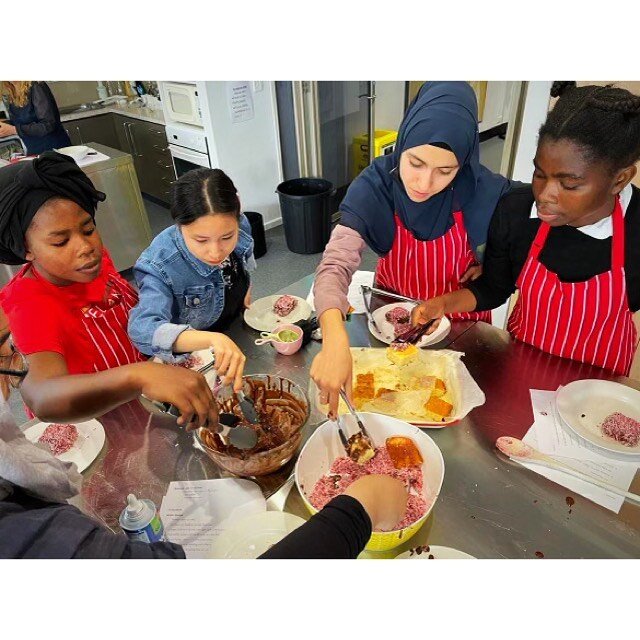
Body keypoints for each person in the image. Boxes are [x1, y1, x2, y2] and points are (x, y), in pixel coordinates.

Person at [311, 82, 516, 414]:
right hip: (391, 320)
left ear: (463, 163)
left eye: (445, 171)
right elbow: (335, 265)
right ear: (402, 142)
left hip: (462, 327)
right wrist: (335, 340)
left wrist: (488, 255)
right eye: (415, 163)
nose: (423, 184)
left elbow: (526, 225)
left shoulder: (484, 190)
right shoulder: (375, 186)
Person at [0, 393, 408, 559]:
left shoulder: (23, 502)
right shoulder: (34, 540)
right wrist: (359, 511)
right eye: (7, 350)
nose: (16, 366)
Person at [411, 82, 640, 376]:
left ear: (619, 180)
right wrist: (441, 304)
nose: (545, 195)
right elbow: (493, 288)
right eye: (539, 174)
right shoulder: (516, 213)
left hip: (597, 389)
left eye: (569, 184)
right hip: (520, 368)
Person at [0, 152, 218, 429]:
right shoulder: (28, 303)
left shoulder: (93, 262)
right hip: (96, 428)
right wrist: (138, 376)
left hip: (143, 405)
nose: (85, 247)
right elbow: (42, 397)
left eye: (88, 229)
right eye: (60, 242)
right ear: (27, 249)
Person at [128, 168, 254, 390]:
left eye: (227, 237)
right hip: (196, 357)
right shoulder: (160, 264)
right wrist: (212, 339)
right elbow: (142, 329)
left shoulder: (240, 223)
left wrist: (246, 287)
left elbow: (244, 259)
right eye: (201, 240)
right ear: (180, 226)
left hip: (235, 329)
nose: (216, 252)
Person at [0, 82, 71, 155]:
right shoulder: (13, 90)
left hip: (55, 150)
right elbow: (20, 122)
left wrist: (14, 130)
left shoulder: (36, 86)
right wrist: (4, 126)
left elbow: (47, 125)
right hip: (35, 152)